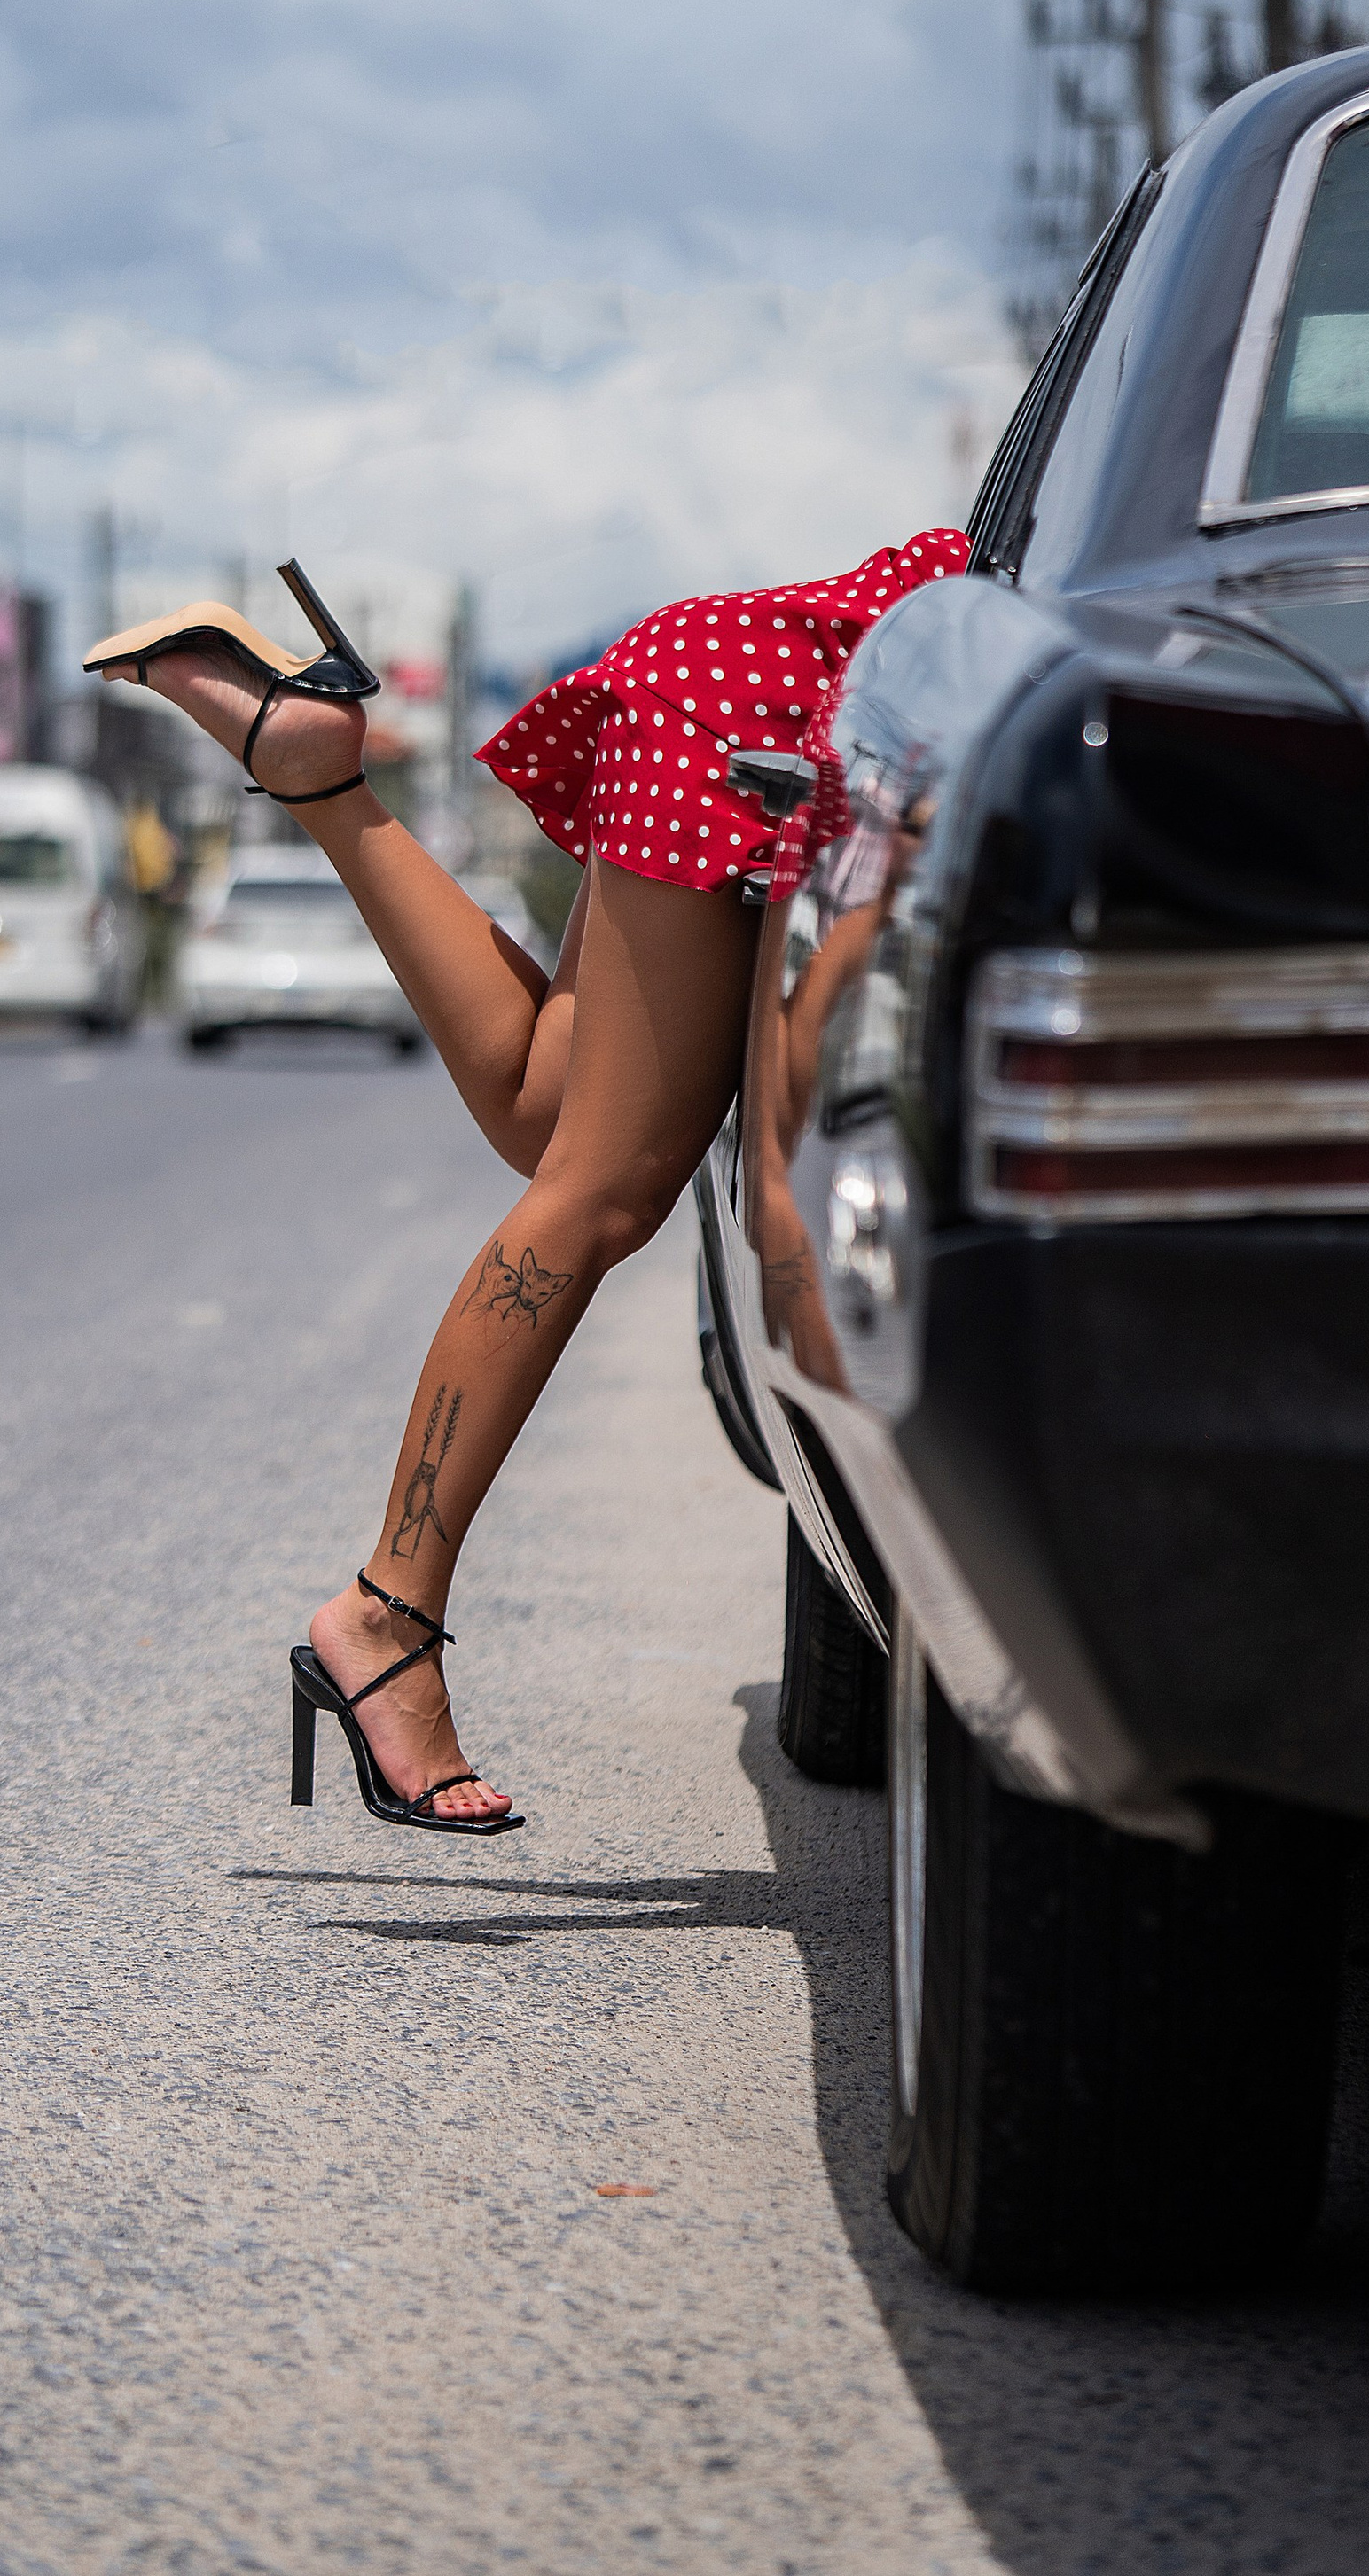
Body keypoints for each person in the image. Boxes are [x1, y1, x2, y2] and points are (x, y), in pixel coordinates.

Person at [89, 533, 968, 1833]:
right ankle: (385, 1609)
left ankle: (315, 768)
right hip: (773, 704)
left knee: (546, 1108)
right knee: (604, 1188)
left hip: (738, 680)